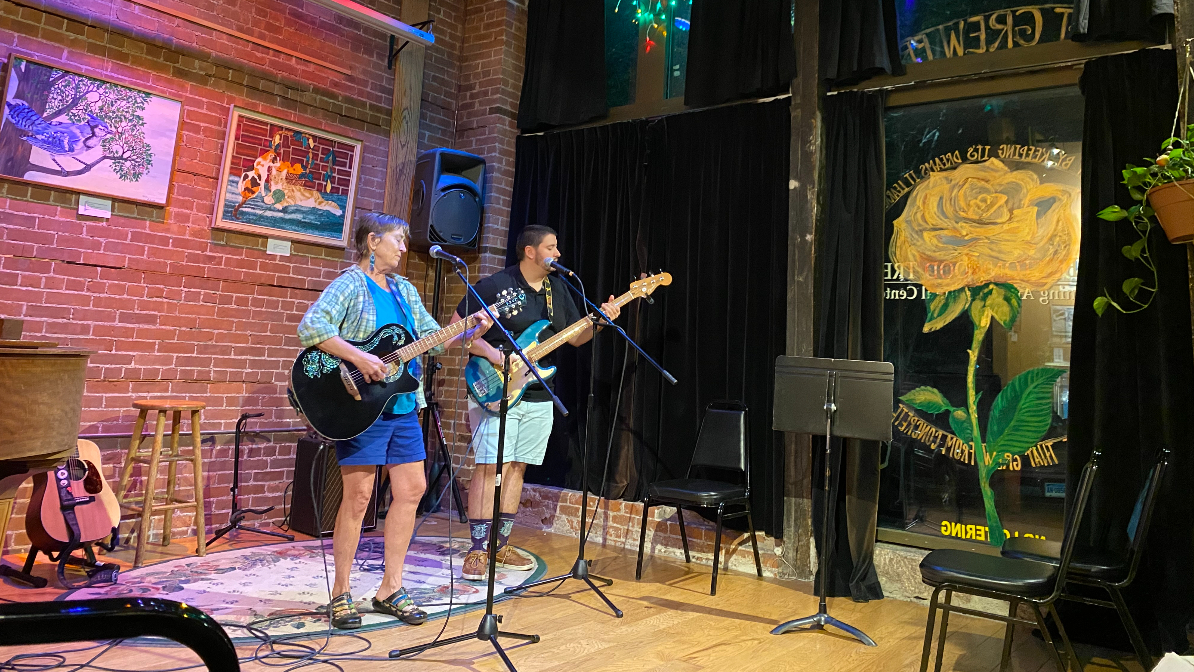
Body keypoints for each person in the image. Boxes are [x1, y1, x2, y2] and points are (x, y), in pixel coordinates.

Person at [297, 212, 492, 629]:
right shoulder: (350, 283)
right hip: (360, 406)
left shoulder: (404, 289)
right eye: (397, 240)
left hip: (402, 405)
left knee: (412, 489)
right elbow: (311, 327)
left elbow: (434, 342)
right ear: (372, 242)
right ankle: (341, 592)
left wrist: (471, 331)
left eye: (404, 242)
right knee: (359, 496)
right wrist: (358, 356)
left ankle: (391, 587)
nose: (404, 248)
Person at [450, 225, 620, 580]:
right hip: (494, 388)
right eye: (551, 247)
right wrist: (497, 356)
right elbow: (456, 330)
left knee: (517, 468)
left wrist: (602, 320)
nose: (558, 254)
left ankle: (500, 545)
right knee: (488, 467)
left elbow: (577, 338)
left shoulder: (557, 289)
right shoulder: (497, 285)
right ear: (530, 251)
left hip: (540, 391)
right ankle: (478, 550)